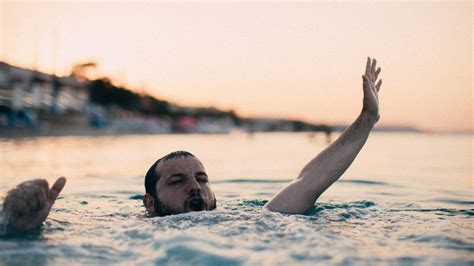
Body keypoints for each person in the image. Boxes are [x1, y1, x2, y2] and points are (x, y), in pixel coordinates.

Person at [0, 58, 382, 234]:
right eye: (178, 181)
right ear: (148, 203)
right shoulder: (121, 231)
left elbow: (308, 183)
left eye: (201, 178)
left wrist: (366, 121)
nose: (195, 187)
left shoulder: (243, 223)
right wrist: (20, 226)